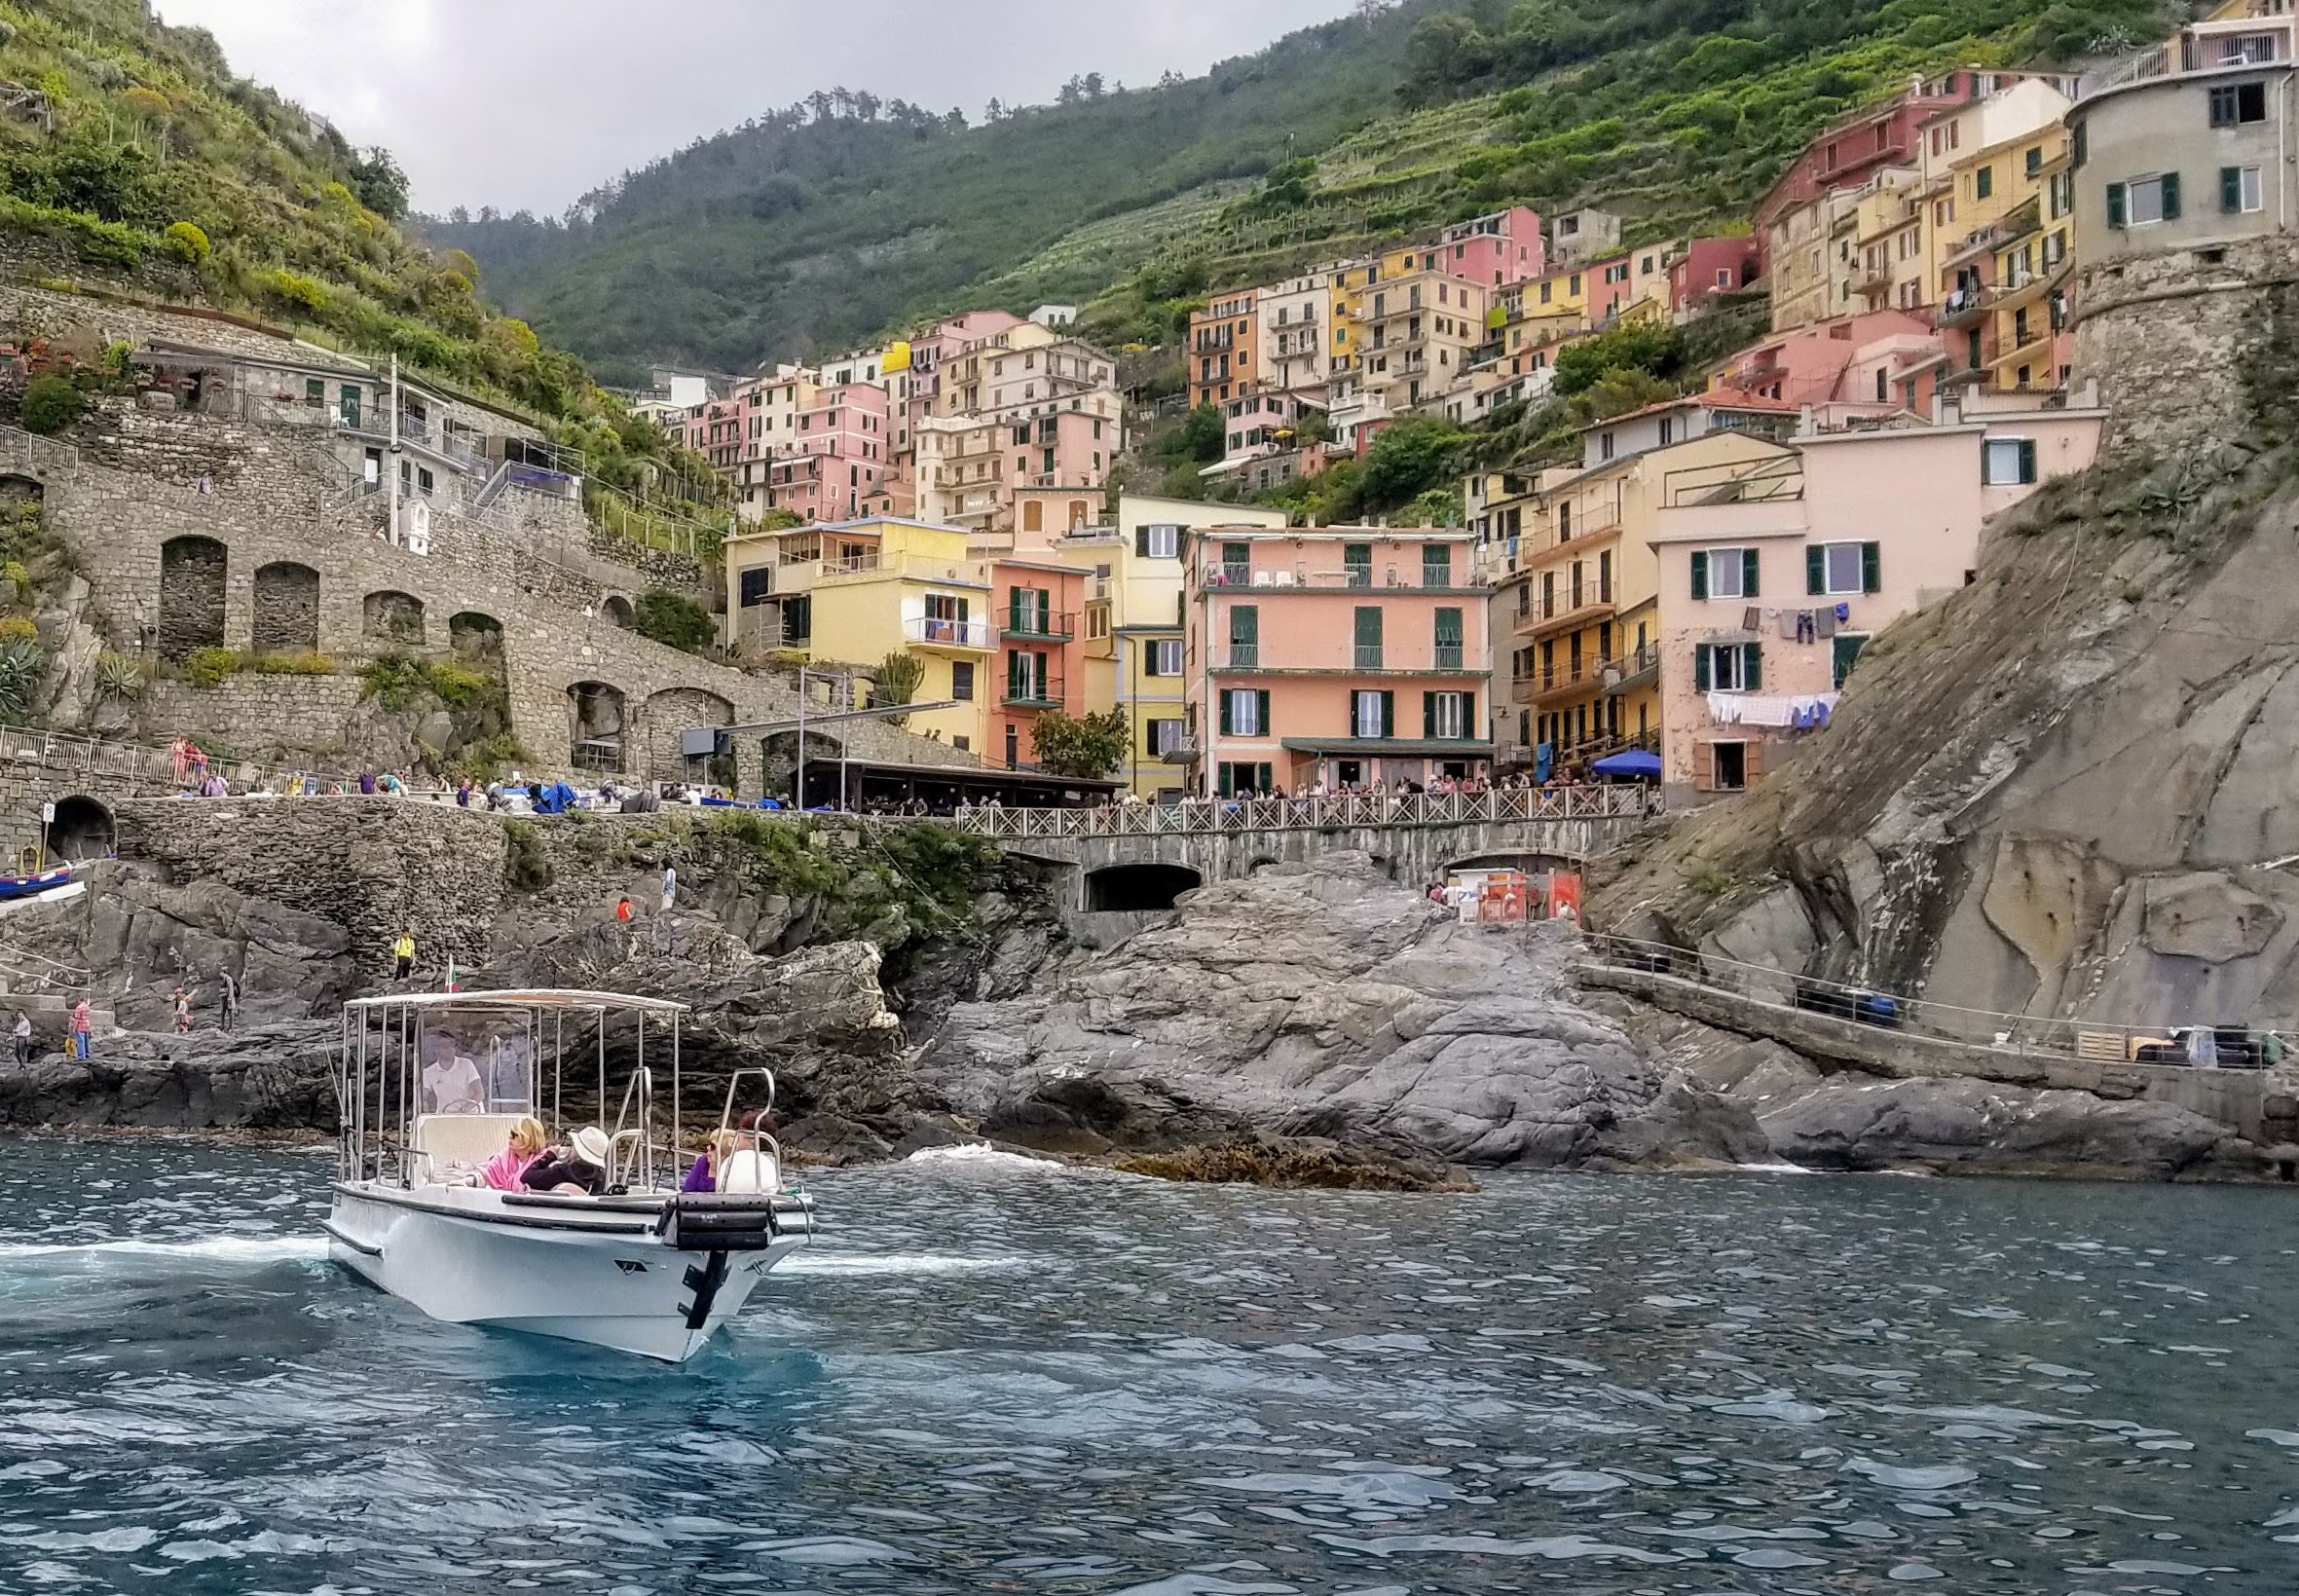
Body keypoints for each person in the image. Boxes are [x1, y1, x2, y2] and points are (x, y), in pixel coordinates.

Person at [521, 1126, 612, 1195]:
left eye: (573, 1145)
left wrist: (549, 1157)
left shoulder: (562, 1172)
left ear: (578, 1151)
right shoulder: (599, 1177)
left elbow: (526, 1177)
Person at [480, 1117, 549, 1192]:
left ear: (527, 1139)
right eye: (510, 1133)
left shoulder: (544, 1161)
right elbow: (486, 1174)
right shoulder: (504, 1156)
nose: (510, 1137)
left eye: (514, 1135)